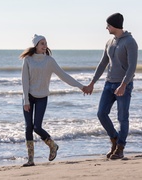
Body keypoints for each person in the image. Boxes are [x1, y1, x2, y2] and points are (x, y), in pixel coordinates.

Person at [20, 34, 86, 166]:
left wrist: (80, 86)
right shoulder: (28, 60)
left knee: (37, 127)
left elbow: (64, 76)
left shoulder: (49, 61)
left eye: (45, 43)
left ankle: (52, 146)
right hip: (28, 97)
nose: (45, 46)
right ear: (36, 45)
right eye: (42, 43)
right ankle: (30, 160)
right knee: (28, 127)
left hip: (42, 97)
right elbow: (24, 81)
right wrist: (26, 100)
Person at [84, 13, 138, 159]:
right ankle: (114, 139)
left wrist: (123, 85)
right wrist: (92, 82)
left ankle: (120, 148)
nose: (106, 27)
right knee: (101, 113)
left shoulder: (130, 42)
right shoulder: (109, 42)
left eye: (108, 25)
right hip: (109, 83)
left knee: (122, 117)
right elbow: (103, 63)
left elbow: (132, 67)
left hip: (123, 85)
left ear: (114, 25)